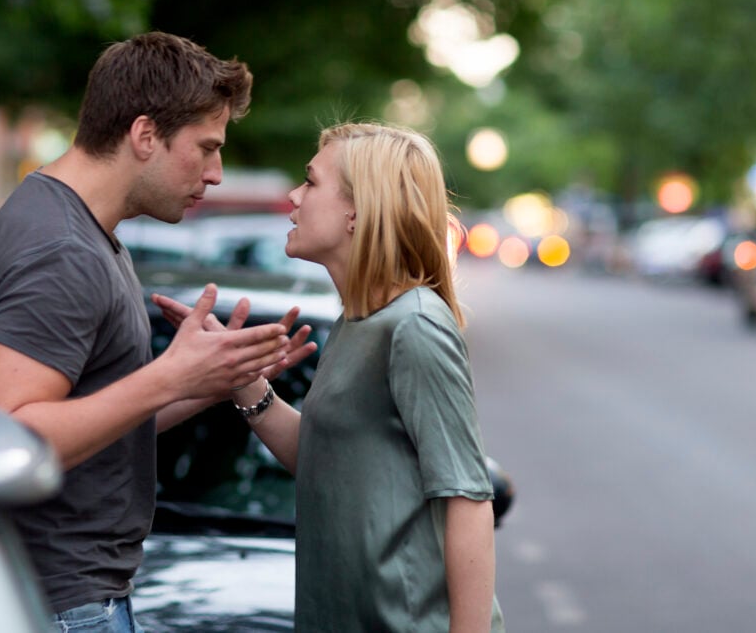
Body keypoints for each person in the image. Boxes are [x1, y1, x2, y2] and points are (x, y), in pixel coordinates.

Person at [0, 32, 315, 633]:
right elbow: (4, 437)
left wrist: (206, 382)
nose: (216, 172)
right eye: (206, 147)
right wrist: (170, 374)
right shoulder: (62, 249)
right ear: (145, 135)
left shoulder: (79, 227)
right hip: (59, 602)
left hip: (64, 593)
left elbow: (85, 420)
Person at [154, 121, 505, 632]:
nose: (294, 197)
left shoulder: (416, 325)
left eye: (311, 182)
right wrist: (239, 376)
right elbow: (326, 460)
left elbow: (468, 501)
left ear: (358, 211)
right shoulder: (357, 321)